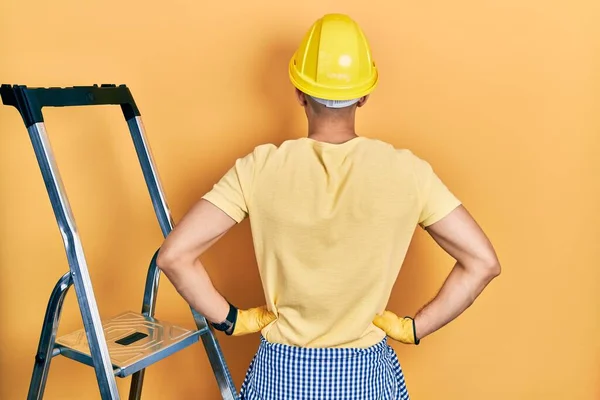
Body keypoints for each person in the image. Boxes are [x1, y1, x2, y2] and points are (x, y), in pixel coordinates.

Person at [156, 13, 501, 400]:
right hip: (366, 377)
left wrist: (233, 319)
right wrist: (415, 327)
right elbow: (482, 263)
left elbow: (174, 256)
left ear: (299, 93)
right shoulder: (408, 173)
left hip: (281, 376)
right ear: (364, 96)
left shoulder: (260, 168)